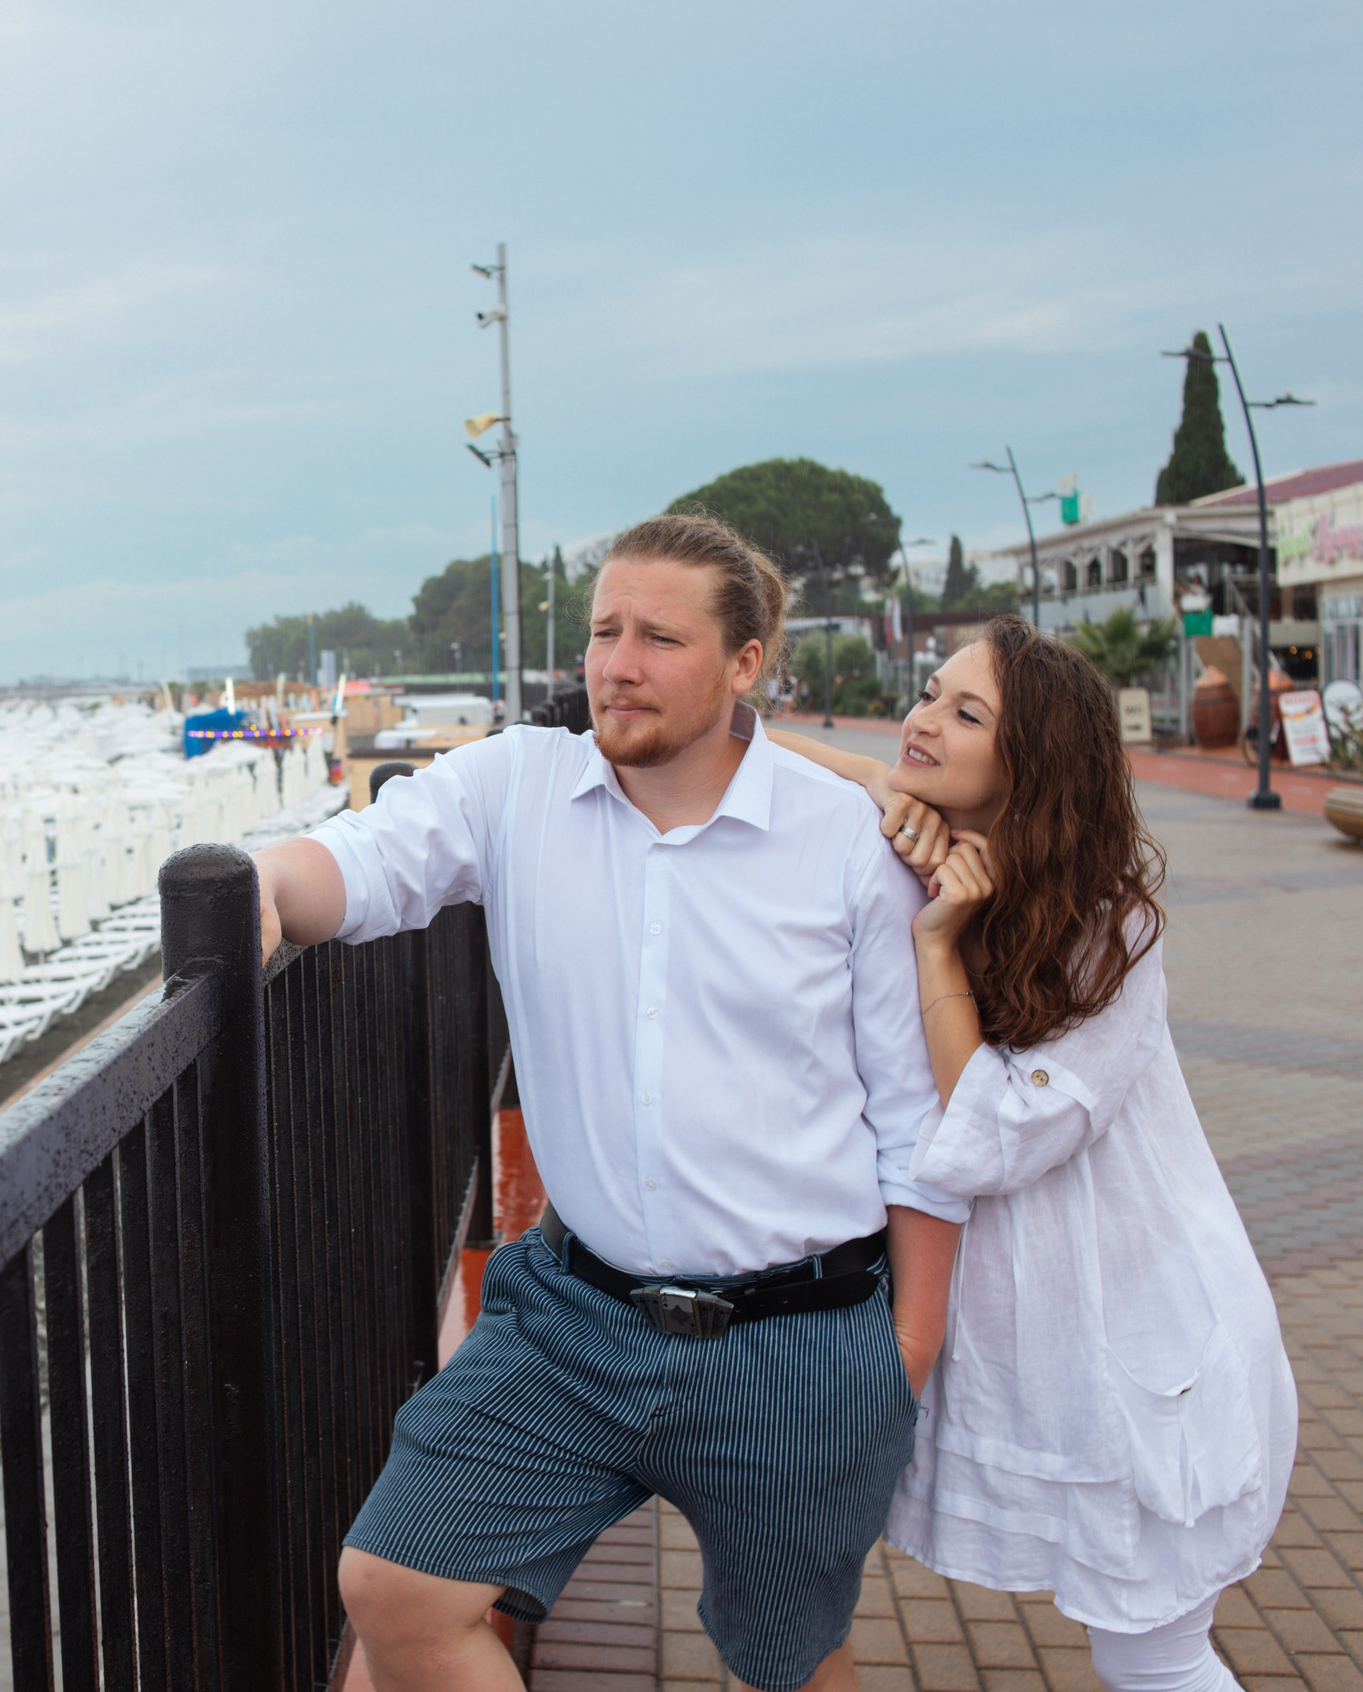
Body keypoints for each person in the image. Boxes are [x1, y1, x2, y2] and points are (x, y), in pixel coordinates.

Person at [253, 514, 969, 1692]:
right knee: (396, 1586)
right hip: (573, 1323)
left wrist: (907, 1348)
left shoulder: (845, 840)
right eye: (602, 631)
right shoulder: (514, 784)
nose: (617, 663)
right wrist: (258, 890)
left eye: (658, 638)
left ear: (745, 666)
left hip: (798, 1340)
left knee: (792, 1664)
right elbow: (360, 865)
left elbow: (916, 1122)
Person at [770, 618, 1294, 1692]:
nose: (924, 719)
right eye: (929, 693)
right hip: (1048, 1327)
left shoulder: (1109, 928)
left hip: (1140, 1314)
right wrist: (868, 772)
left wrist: (938, 944)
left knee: (1156, 1655)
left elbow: (995, 1130)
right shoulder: (929, 841)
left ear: (1032, 762)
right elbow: (788, 748)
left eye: (967, 714)